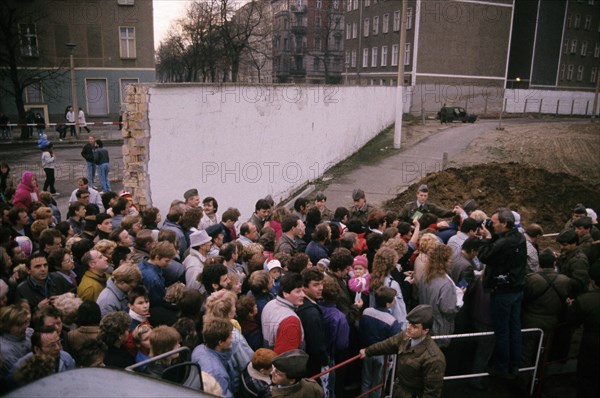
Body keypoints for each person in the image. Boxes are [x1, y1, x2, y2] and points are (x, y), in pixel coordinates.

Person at [477, 208, 527, 379]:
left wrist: (487, 238)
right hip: (516, 289)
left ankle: (502, 367)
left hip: (503, 293)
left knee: (502, 331)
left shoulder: (504, 243)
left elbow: (484, 256)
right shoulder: (519, 237)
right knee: (515, 328)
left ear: (505, 224)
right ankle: (514, 364)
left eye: (495, 222)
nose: (492, 224)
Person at [360, 304, 446, 398]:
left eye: (414, 326)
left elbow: (431, 394)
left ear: (425, 330)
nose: (408, 327)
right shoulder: (406, 335)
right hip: (399, 390)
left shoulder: (434, 359)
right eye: (409, 323)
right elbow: (389, 344)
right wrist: (368, 351)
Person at [359, 286, 401, 398]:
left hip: (366, 351)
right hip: (383, 356)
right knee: (378, 384)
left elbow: (361, 330)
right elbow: (395, 341)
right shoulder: (392, 321)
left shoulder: (366, 312)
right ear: (388, 304)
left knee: (366, 381)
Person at [261, 272, 305, 354]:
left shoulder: (270, 304)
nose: (303, 295)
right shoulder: (290, 322)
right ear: (285, 293)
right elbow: (286, 360)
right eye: (298, 291)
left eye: (303, 290)